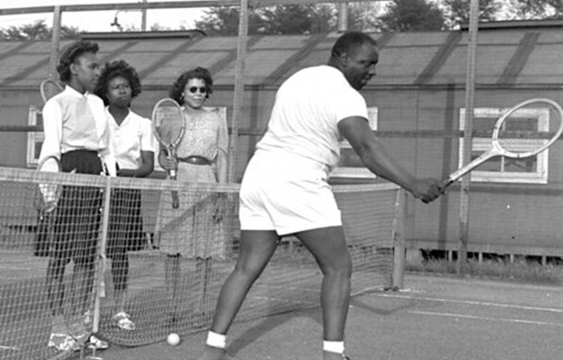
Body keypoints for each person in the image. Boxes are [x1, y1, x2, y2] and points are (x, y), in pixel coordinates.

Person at [196, 32, 443, 360]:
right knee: (338, 268)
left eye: (375, 65)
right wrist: (413, 183)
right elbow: (367, 149)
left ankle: (213, 350)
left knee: (246, 268)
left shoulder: (298, 78)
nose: (371, 71)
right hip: (299, 180)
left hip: (259, 176)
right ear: (342, 57)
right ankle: (333, 355)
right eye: (365, 63)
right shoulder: (345, 94)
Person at [38, 40, 114, 352]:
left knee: (86, 259)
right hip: (66, 177)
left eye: (98, 66)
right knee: (59, 258)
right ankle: (58, 329)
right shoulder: (55, 105)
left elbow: (107, 150)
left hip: (94, 179)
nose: (98, 72)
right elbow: (51, 150)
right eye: (92, 66)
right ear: (73, 68)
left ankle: (79, 326)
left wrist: (111, 182)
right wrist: (49, 191)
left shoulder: (98, 105)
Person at [156, 66, 229, 327]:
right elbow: (162, 157)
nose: (198, 94)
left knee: (205, 251)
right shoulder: (172, 119)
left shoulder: (216, 118)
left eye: (202, 89)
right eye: (192, 89)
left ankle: (199, 308)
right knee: (172, 251)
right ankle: (172, 307)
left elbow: (221, 157)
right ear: (183, 93)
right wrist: (169, 164)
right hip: (177, 184)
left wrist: (222, 193)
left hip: (207, 183)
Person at [94, 59, 155, 331]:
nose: (122, 91)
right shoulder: (96, 117)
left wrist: (124, 175)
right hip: (95, 190)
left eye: (126, 86)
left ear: (133, 90)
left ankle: (119, 309)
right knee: (90, 251)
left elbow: (148, 166)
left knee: (118, 252)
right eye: (115, 87)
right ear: (106, 93)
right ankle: (88, 309)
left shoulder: (143, 124)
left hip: (126, 194)